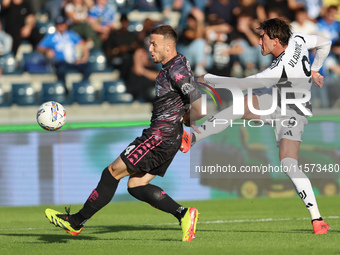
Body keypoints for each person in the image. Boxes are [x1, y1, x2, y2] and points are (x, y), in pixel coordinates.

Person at [44, 25, 205, 241]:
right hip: (169, 137)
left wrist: (188, 119)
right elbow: (184, 99)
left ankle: (76, 222)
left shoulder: (176, 70)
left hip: (158, 137)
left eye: (154, 44)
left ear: (168, 46)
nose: (150, 48)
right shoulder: (178, 63)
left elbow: (201, 106)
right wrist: (182, 122)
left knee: (111, 172)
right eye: (150, 43)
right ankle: (184, 214)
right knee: (136, 185)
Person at [180, 18, 331, 235]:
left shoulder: (280, 68)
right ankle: (193, 138)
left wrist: (210, 78)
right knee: (240, 106)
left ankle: (317, 219)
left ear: (276, 40)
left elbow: (243, 84)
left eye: (263, 38)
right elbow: (325, 42)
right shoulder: (298, 39)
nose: (259, 42)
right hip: (276, 100)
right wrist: (314, 70)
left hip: (293, 112)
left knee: (289, 164)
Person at [37, 15, 91, 94]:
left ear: (66, 24)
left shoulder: (71, 35)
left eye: (62, 24)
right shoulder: (51, 36)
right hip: (61, 62)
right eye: (59, 24)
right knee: (61, 70)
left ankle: (79, 88)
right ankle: (65, 90)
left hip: (74, 61)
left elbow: (83, 45)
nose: (61, 26)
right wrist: (47, 50)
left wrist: (84, 57)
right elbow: (39, 47)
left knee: (88, 68)